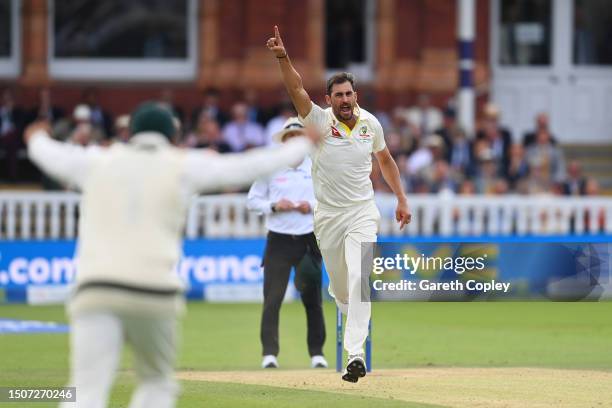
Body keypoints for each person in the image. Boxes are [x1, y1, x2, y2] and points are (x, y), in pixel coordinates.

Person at [24, 102, 317, 408]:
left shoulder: (97, 160)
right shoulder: (184, 164)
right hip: (155, 291)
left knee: (85, 389)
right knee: (156, 385)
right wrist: (302, 145)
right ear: (173, 135)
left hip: (95, 288)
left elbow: (49, 154)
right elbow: (247, 166)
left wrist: (35, 137)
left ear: (132, 132)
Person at [267, 26, 411, 382]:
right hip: (329, 218)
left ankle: (355, 356)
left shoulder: (370, 124)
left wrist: (401, 198)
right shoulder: (317, 120)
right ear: (328, 99)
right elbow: (295, 88)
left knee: (361, 282)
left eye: (349, 94)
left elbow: (387, 161)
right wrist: (283, 57)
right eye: (339, 95)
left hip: (363, 212)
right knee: (343, 291)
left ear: (355, 95)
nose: (345, 100)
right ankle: (351, 325)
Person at [247, 117, 327, 370]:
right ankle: (269, 354)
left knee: (312, 299)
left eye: (298, 138)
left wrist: (310, 206)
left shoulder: (315, 167)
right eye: (290, 139)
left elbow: (328, 200)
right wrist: (274, 205)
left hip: (307, 240)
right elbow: (252, 201)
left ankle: (317, 353)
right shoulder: (272, 168)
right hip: (279, 240)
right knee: (273, 299)